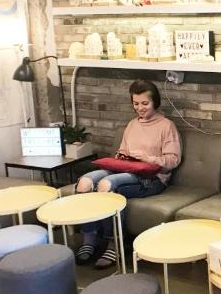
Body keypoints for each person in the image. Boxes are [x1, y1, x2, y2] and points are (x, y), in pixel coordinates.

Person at [74, 80, 180, 268]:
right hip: (126, 169)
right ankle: (89, 239)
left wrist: (148, 158)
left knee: (106, 184)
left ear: (155, 102)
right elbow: (122, 151)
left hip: (151, 178)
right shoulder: (131, 125)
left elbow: (173, 160)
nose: (140, 108)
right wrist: (121, 157)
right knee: (85, 182)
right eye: (136, 103)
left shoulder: (166, 125)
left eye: (145, 103)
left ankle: (115, 243)